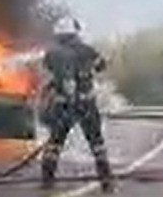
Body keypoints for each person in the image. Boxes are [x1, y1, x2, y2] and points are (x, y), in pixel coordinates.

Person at [39, 16, 115, 192]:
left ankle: (47, 181)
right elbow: (101, 66)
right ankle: (106, 181)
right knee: (97, 142)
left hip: (63, 106)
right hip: (86, 104)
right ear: (74, 33)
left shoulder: (52, 53)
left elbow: (48, 72)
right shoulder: (87, 50)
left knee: (55, 143)